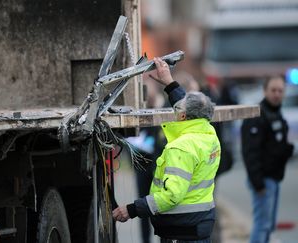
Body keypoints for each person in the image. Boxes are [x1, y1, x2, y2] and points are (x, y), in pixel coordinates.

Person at [113, 58, 221, 242]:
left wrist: (131, 210)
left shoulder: (181, 148)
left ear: (183, 115)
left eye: (179, 109)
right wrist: (169, 83)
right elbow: (187, 106)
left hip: (182, 231)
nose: (176, 109)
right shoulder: (209, 135)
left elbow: (171, 196)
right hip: (197, 226)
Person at [241, 76, 294, 243]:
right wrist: (258, 183)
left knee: (268, 225)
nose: (277, 94)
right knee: (262, 224)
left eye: (280, 91)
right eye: (273, 90)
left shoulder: (275, 113)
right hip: (263, 180)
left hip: (274, 178)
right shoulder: (257, 115)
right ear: (265, 91)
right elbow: (250, 152)